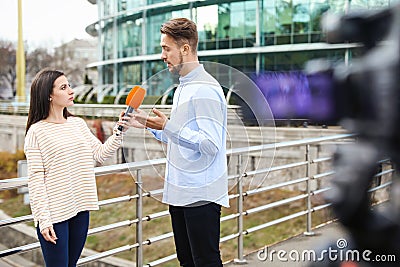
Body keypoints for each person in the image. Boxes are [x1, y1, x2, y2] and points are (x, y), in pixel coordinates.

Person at [129, 18, 229, 266]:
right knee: (187, 262)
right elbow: (180, 137)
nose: (162, 55)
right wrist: (149, 124)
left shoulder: (205, 88)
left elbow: (210, 145)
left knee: (205, 261)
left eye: (166, 48)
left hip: (200, 194)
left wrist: (168, 126)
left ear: (185, 48)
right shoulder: (184, 87)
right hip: (180, 192)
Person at [24, 69, 130, 266]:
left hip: (81, 208)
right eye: (63, 87)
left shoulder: (77, 124)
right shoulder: (36, 132)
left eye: (69, 85)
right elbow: (36, 180)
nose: (70, 91)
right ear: (48, 94)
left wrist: (120, 130)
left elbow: (100, 153)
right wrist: (43, 220)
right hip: (54, 216)